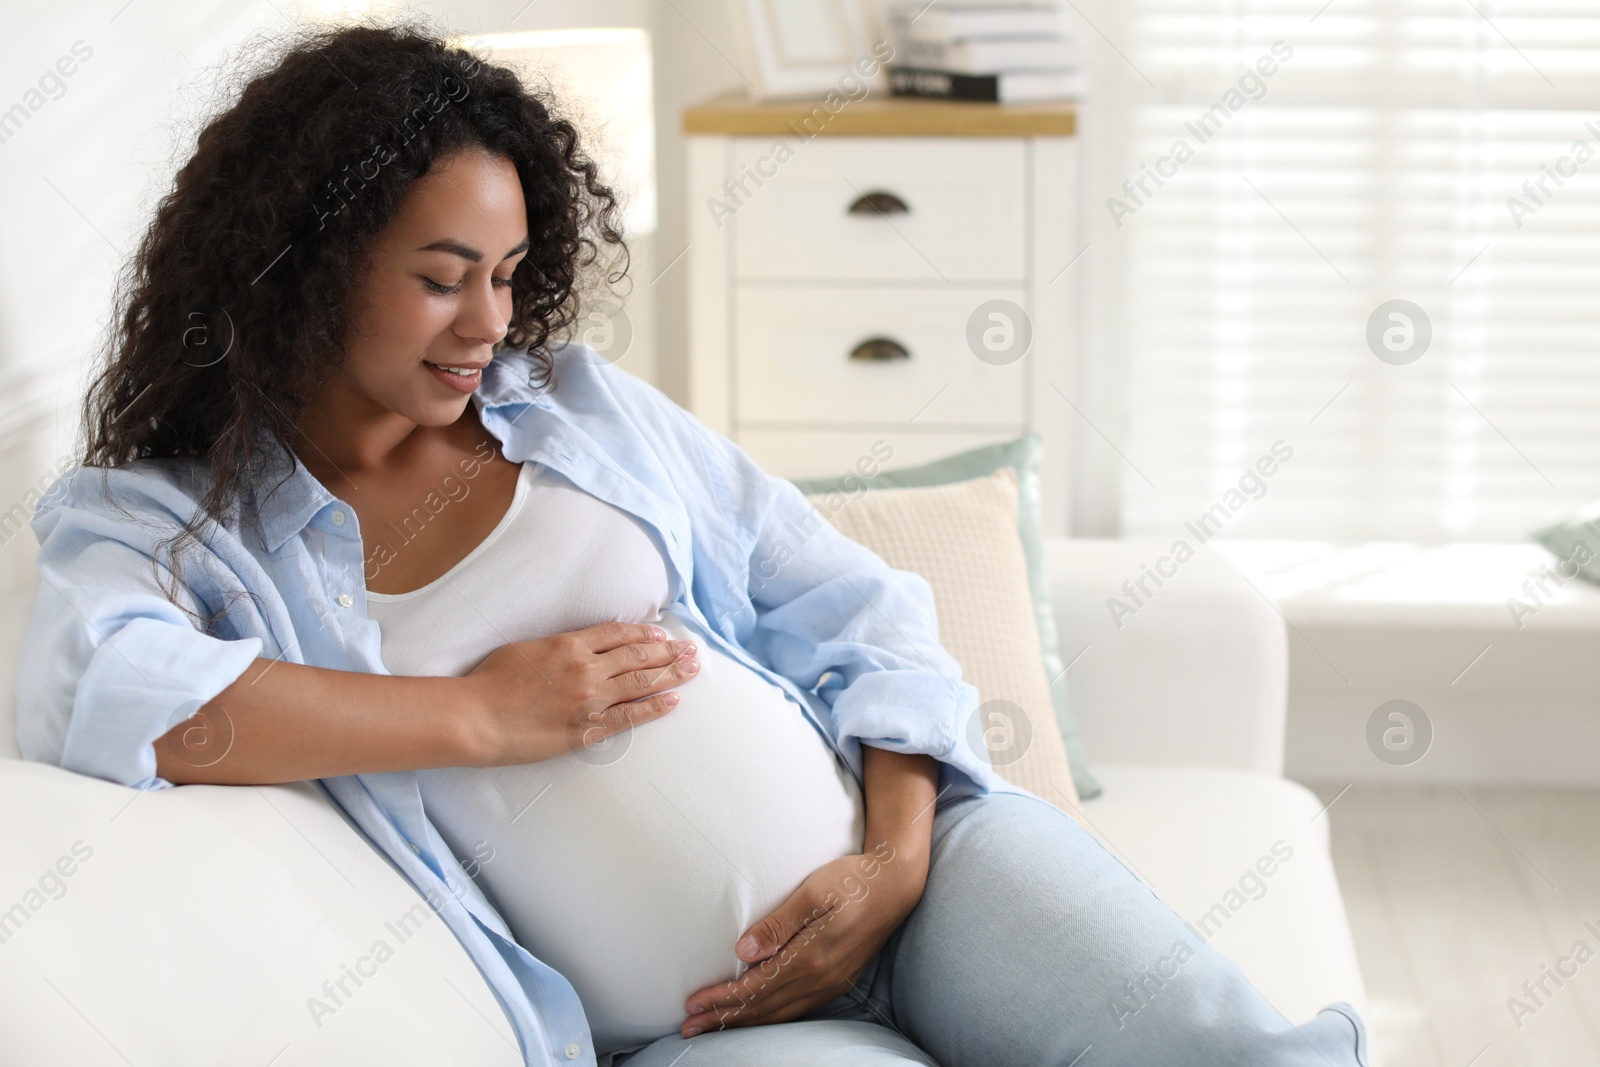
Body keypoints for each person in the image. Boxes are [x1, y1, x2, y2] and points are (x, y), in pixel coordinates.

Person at [14, 21, 1371, 1067]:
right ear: (300, 266)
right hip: (725, 1027)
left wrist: (892, 856)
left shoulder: (573, 408)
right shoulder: (164, 526)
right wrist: (475, 714)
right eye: (440, 278)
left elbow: (854, 604)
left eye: (504, 273)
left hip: (925, 878)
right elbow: (108, 698)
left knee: (1227, 1050)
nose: (487, 323)